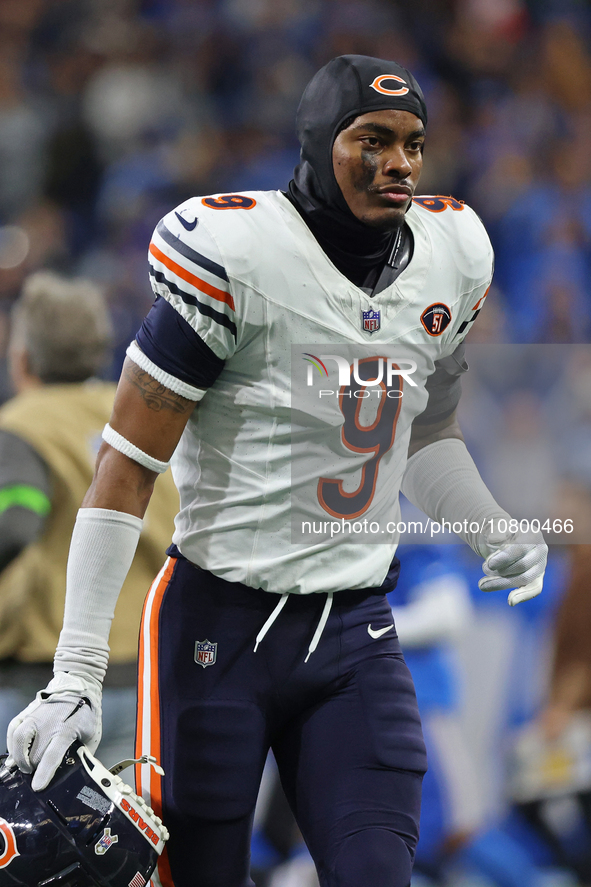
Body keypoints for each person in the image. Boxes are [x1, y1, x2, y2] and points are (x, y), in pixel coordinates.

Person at [6, 56, 548, 887]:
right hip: (213, 628)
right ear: (317, 142)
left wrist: (487, 524)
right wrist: (75, 671)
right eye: (369, 140)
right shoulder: (235, 253)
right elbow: (126, 466)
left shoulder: (451, 253)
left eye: (412, 143)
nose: (397, 163)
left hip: (352, 628)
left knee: (377, 870)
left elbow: (425, 431)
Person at [0, 271, 178, 767]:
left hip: (46, 684)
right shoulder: (143, 413)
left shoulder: (22, 425)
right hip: (146, 673)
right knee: (116, 840)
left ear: (23, 358)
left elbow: (15, 521)